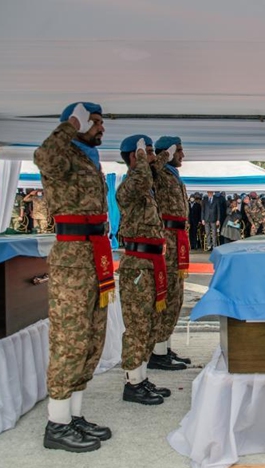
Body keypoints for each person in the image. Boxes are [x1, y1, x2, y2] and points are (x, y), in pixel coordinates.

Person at [34, 102, 112, 452]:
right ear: (77, 123)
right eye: (94, 122)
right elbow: (43, 156)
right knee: (71, 340)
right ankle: (57, 424)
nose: (101, 128)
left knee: (92, 338)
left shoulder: (89, 159)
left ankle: (74, 415)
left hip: (96, 254)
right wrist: (70, 125)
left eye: (100, 123)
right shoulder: (61, 154)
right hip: (72, 259)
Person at [115, 134, 171, 406]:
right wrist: (140, 157)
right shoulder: (130, 185)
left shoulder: (146, 188)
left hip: (151, 262)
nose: (152, 157)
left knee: (150, 324)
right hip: (137, 265)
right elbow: (142, 177)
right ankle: (132, 384)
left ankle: (141, 376)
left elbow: (152, 172)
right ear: (133, 156)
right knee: (138, 325)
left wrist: (161, 156)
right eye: (147, 151)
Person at [149, 136, 191, 370]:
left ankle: (164, 347)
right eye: (179, 151)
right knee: (167, 294)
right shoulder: (158, 172)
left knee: (176, 296)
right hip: (167, 240)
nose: (182, 155)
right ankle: (157, 353)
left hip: (178, 238)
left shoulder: (172, 175)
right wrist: (164, 155)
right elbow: (148, 171)